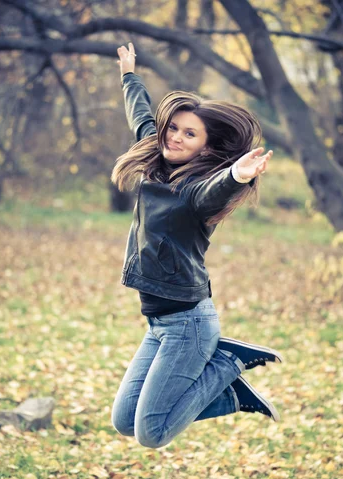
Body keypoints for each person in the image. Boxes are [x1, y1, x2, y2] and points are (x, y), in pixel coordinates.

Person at [111, 42, 282, 449]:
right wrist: (129, 76)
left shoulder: (195, 190)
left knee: (152, 434)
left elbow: (213, 193)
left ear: (206, 146)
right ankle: (227, 388)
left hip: (188, 323)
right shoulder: (157, 161)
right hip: (158, 322)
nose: (176, 137)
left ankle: (228, 367)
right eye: (174, 128)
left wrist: (237, 176)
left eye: (190, 134)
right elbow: (140, 118)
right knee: (124, 421)